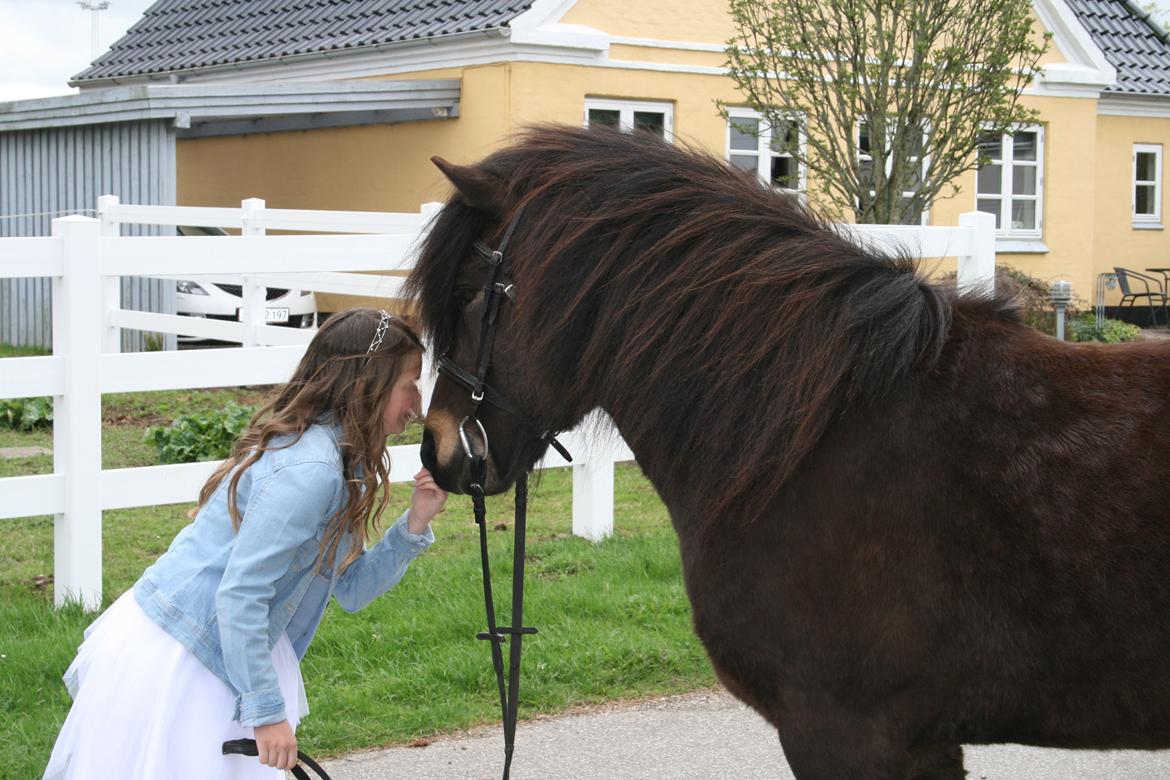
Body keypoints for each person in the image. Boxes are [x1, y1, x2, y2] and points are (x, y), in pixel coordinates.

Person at [43, 308, 447, 779]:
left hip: (232, 644)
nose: (417, 403)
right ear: (365, 386)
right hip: (190, 652)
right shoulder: (310, 472)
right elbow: (240, 595)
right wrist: (267, 713)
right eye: (409, 384)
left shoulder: (343, 462)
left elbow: (351, 590)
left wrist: (415, 522)